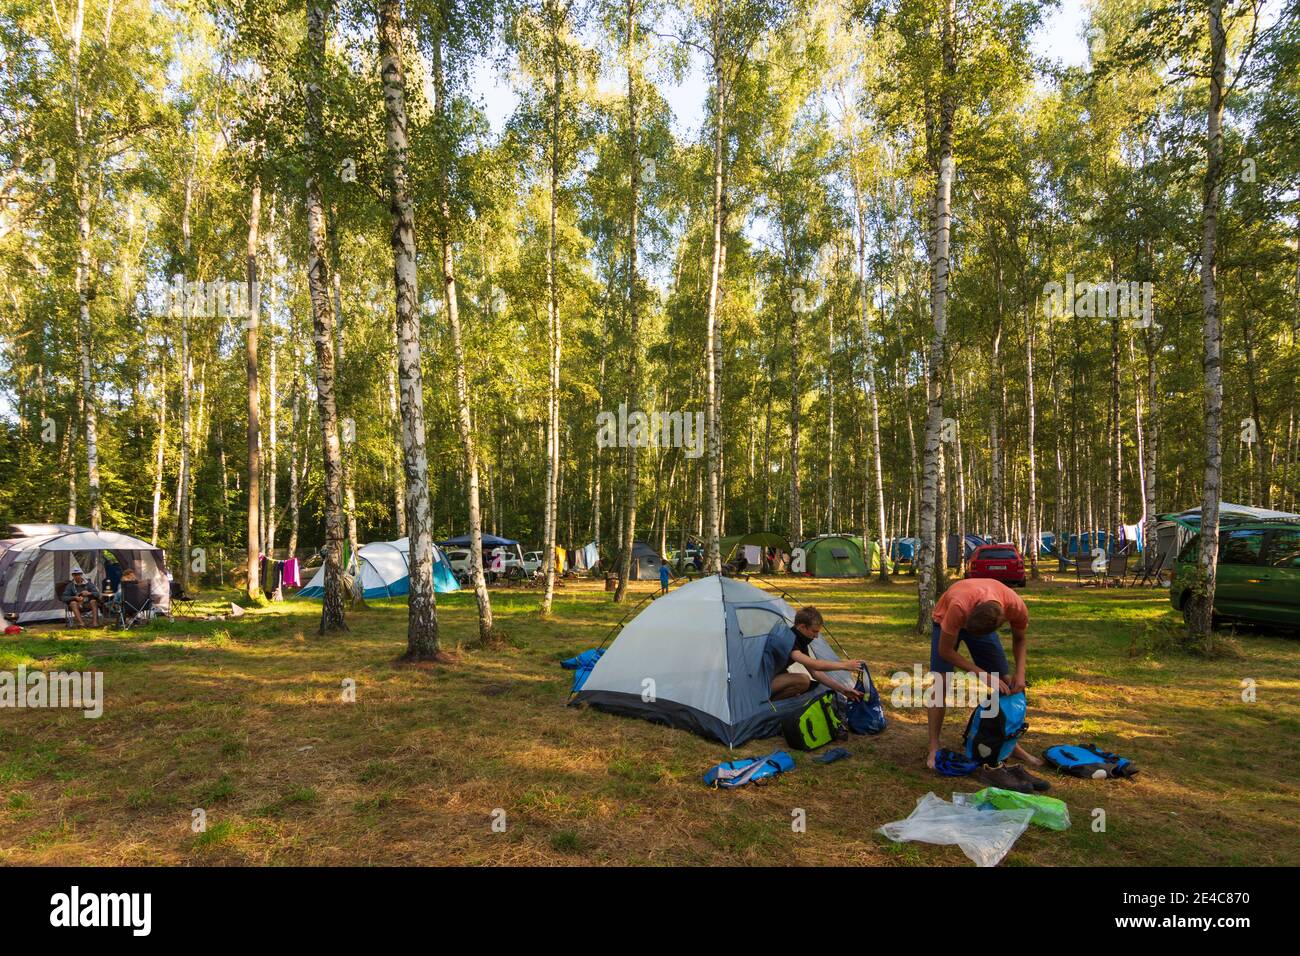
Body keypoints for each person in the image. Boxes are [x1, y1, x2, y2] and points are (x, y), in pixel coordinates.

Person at [926, 577, 1043, 769]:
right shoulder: (958, 607)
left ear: (1002, 620)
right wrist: (982, 674)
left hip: (979, 617)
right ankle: (934, 747)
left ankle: (1009, 744)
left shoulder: (1015, 606)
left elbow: (1020, 639)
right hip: (946, 619)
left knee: (1005, 682)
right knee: (941, 683)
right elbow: (945, 651)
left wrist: (1020, 673)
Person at [764, 606, 866, 702]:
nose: (816, 636)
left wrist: (843, 690)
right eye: (814, 631)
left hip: (771, 677)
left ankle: (773, 703)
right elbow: (815, 664)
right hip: (759, 683)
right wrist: (844, 665)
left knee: (801, 685)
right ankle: (767, 706)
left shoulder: (799, 640)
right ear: (802, 627)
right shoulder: (788, 640)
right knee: (803, 680)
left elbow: (816, 673)